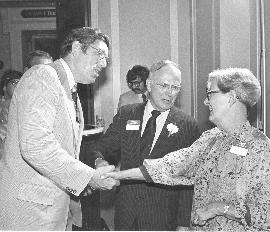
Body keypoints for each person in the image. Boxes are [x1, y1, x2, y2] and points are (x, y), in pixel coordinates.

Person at [105, 68, 270, 231]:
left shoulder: (259, 148)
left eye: (210, 94)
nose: (206, 101)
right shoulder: (210, 138)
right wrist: (116, 175)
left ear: (231, 97)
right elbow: (170, 167)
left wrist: (218, 208)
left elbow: (264, 215)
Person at [0, 27, 119, 230]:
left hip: (51, 208)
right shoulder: (43, 75)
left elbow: (61, 149)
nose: (104, 63)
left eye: (106, 58)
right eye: (99, 54)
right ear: (75, 47)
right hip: (30, 212)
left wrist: (84, 178)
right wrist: (88, 177)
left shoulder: (68, 88)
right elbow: (36, 146)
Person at [93, 60, 201, 230]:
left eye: (175, 87)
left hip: (163, 218)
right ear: (149, 85)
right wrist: (100, 162)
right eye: (164, 85)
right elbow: (102, 148)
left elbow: (188, 181)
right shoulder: (127, 113)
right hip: (126, 214)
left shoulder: (188, 125)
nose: (170, 93)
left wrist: (183, 224)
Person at [0, 70, 22, 158]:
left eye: (21, 83)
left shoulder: (24, 106)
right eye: (15, 82)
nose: (18, 86)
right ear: (4, 87)